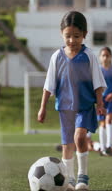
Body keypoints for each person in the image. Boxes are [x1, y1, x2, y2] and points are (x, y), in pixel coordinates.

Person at [38, 11, 107, 191]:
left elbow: (98, 82)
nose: (72, 40)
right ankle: (68, 181)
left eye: (76, 36)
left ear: (85, 34)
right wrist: (42, 107)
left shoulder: (89, 55)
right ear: (62, 34)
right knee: (67, 145)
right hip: (65, 109)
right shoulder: (56, 57)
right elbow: (49, 85)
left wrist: (100, 103)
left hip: (84, 106)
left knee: (79, 137)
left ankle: (82, 178)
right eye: (68, 36)